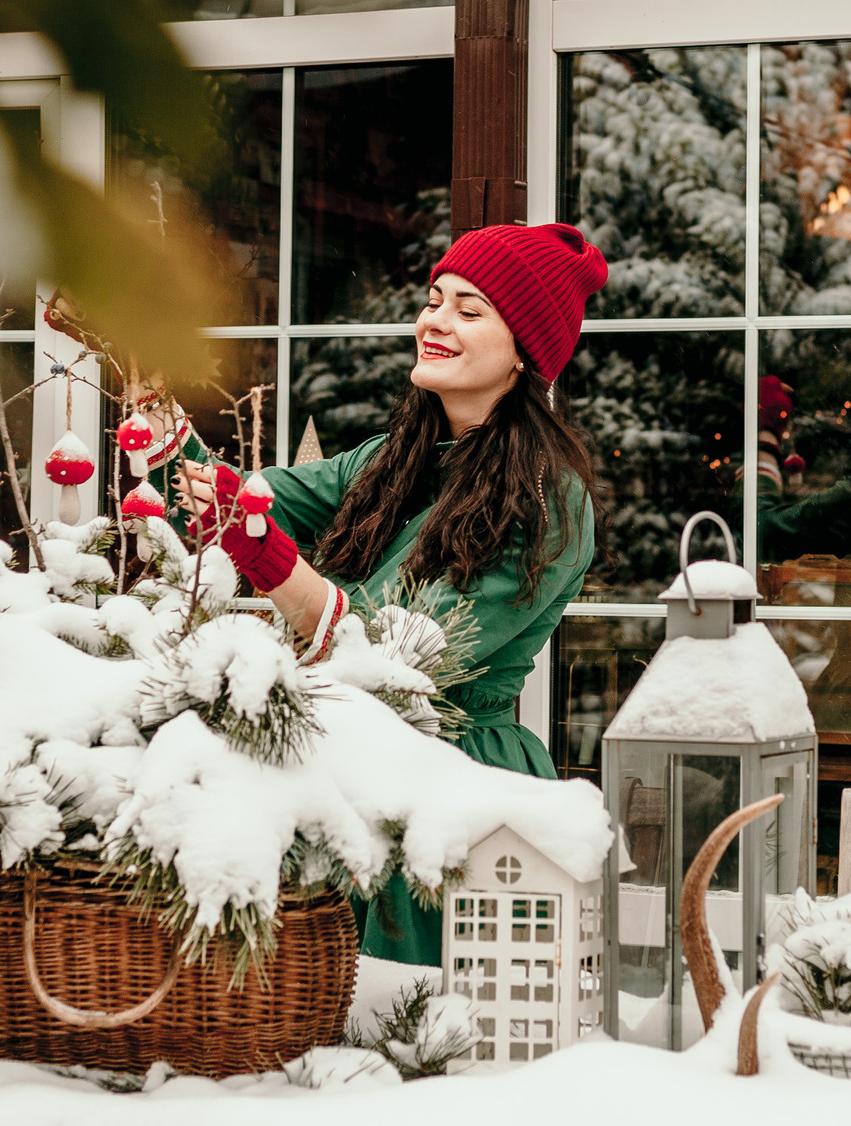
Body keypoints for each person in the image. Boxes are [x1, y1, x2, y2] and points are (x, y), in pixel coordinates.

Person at [166, 222, 609, 965]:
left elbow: (391, 654)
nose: (435, 321)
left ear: (524, 352)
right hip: (338, 775)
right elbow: (244, 498)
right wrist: (159, 420)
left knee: (414, 1011)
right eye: (434, 300)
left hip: (451, 794)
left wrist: (263, 553)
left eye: (470, 309)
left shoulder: (548, 501)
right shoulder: (390, 459)